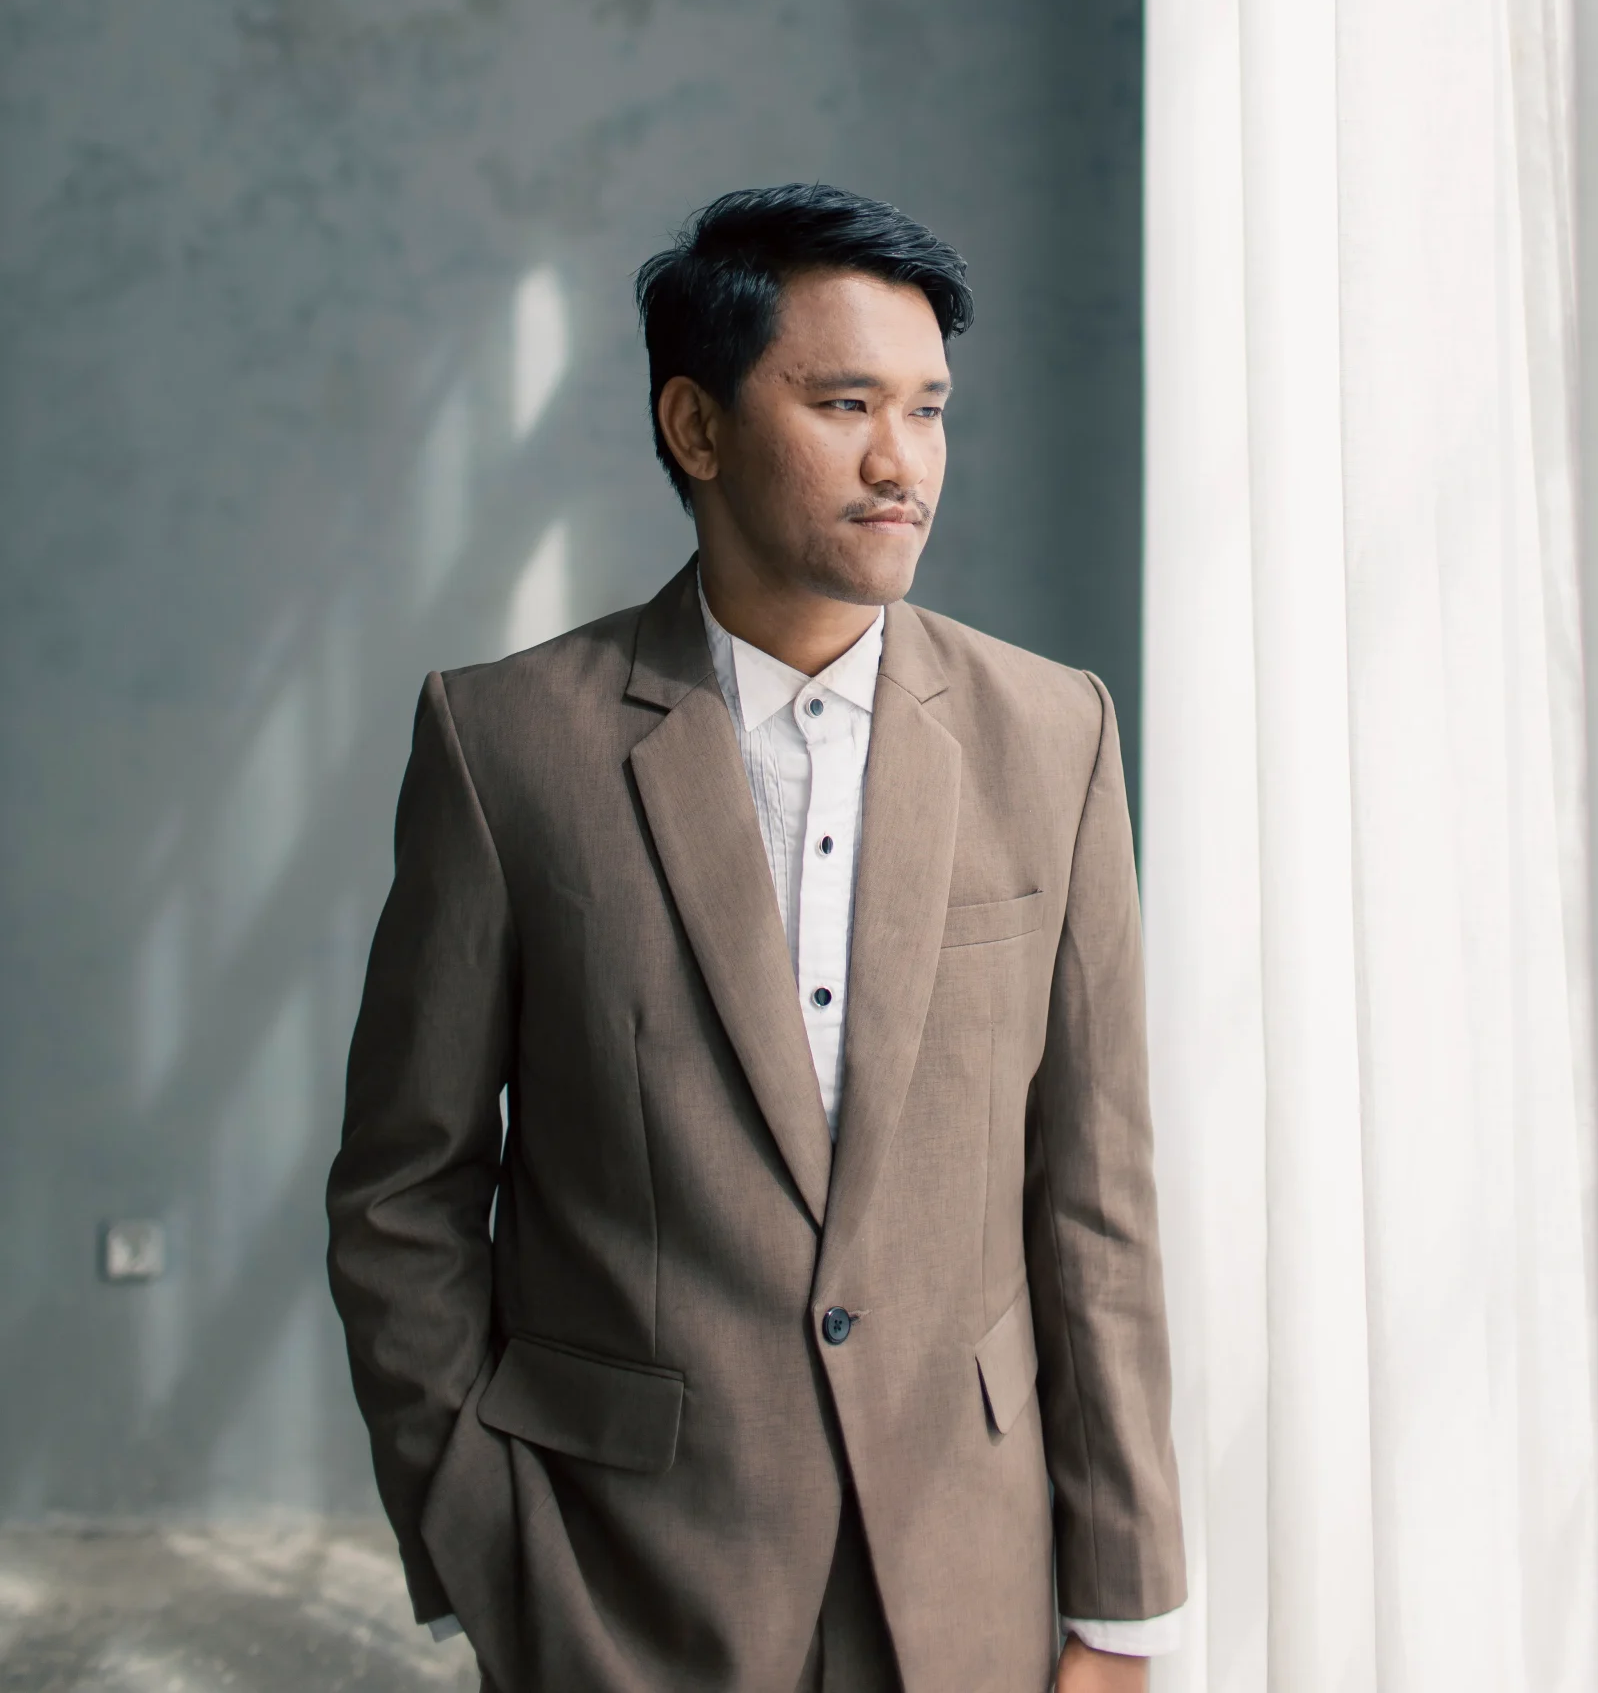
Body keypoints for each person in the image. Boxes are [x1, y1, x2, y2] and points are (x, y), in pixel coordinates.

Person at [327, 184, 1186, 1693]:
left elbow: (1093, 1201)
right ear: (697, 426)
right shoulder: (506, 745)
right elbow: (406, 1189)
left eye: (927, 410)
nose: (899, 460)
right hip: (624, 1581)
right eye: (845, 403)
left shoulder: (1055, 735)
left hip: (966, 1576)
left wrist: (1121, 1609)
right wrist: (482, 1547)